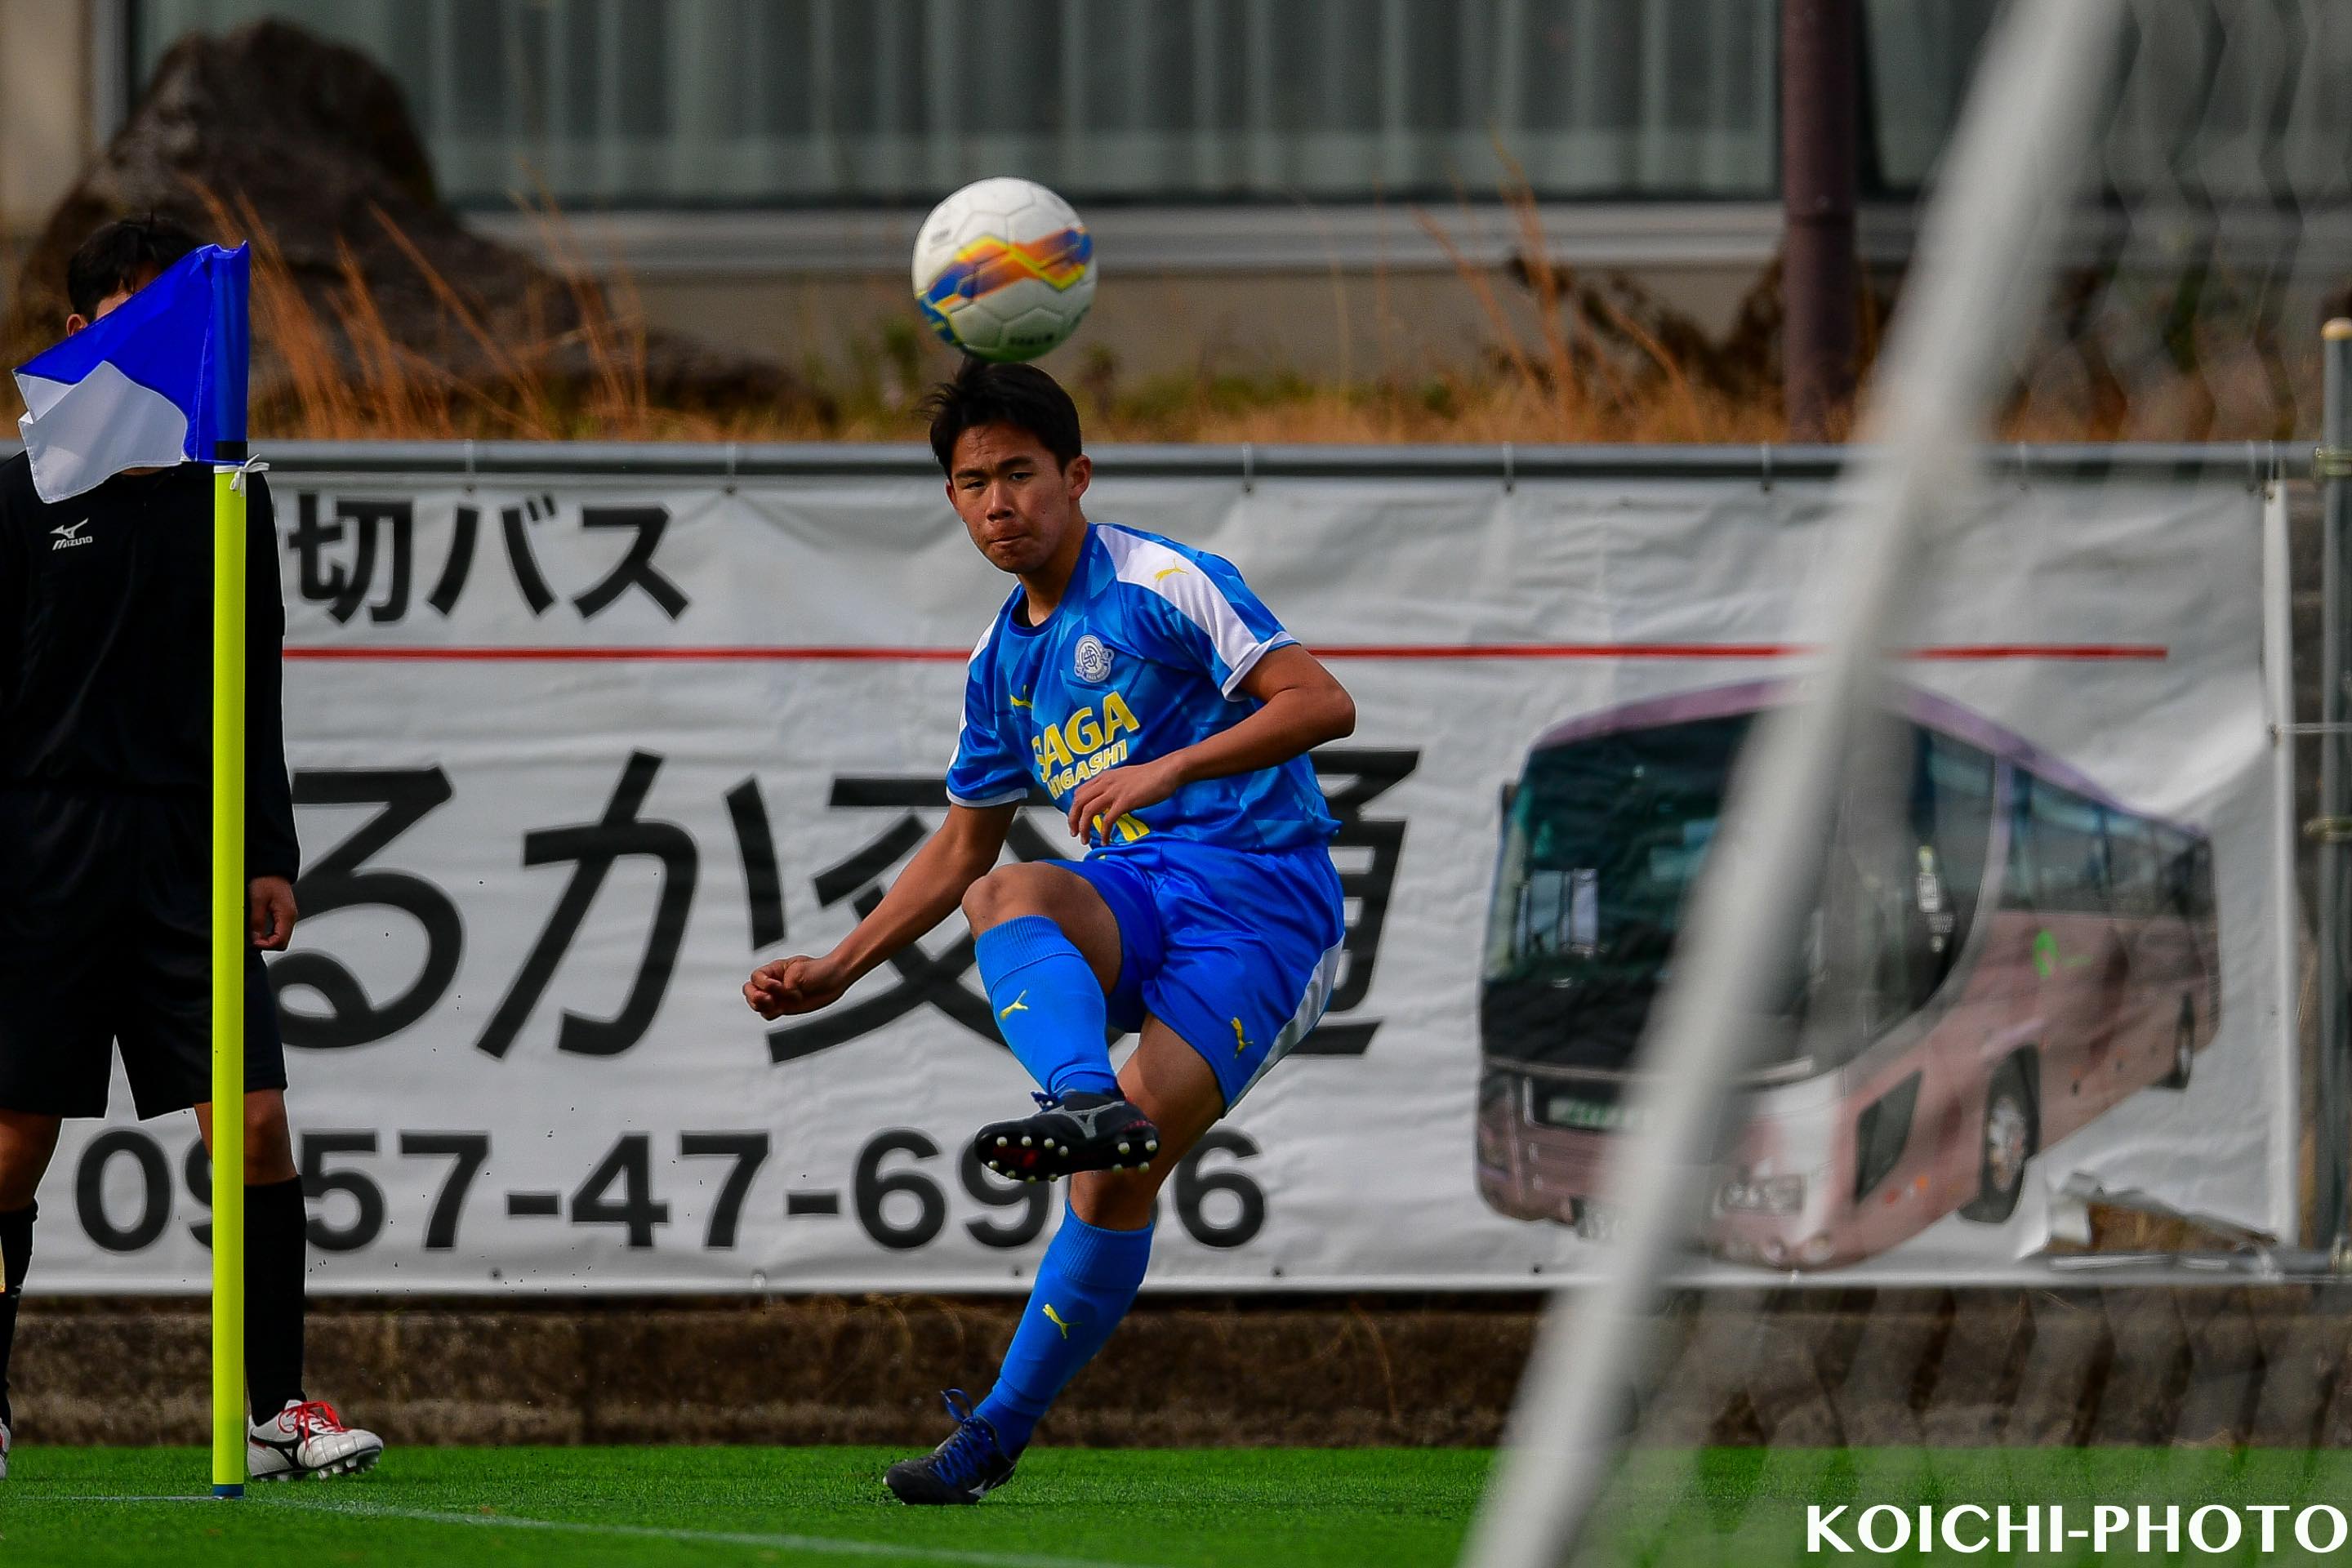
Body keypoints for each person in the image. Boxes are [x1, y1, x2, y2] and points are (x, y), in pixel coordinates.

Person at [745, 358, 1356, 1503]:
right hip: (1140, 893)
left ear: (1076, 477)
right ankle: (1082, 1102)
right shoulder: (1002, 664)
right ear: (952, 499)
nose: (999, 503)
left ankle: (992, 1435)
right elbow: (960, 849)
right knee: (1005, 893)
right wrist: (837, 967)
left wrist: (1169, 766)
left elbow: (1322, 701)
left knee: (1113, 1189)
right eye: (974, 483)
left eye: (1020, 474)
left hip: (1265, 908)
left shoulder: (1162, 581)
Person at [0, 217, 381, 1481]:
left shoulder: (228, 488)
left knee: (256, 1126)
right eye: (139, 316)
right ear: (79, 333)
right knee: (10, 1148)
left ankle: (276, 1412)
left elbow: (251, 678)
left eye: (188, 320)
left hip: (188, 849)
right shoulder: (18, 492)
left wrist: (268, 848)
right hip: (42, 851)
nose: (171, 346)